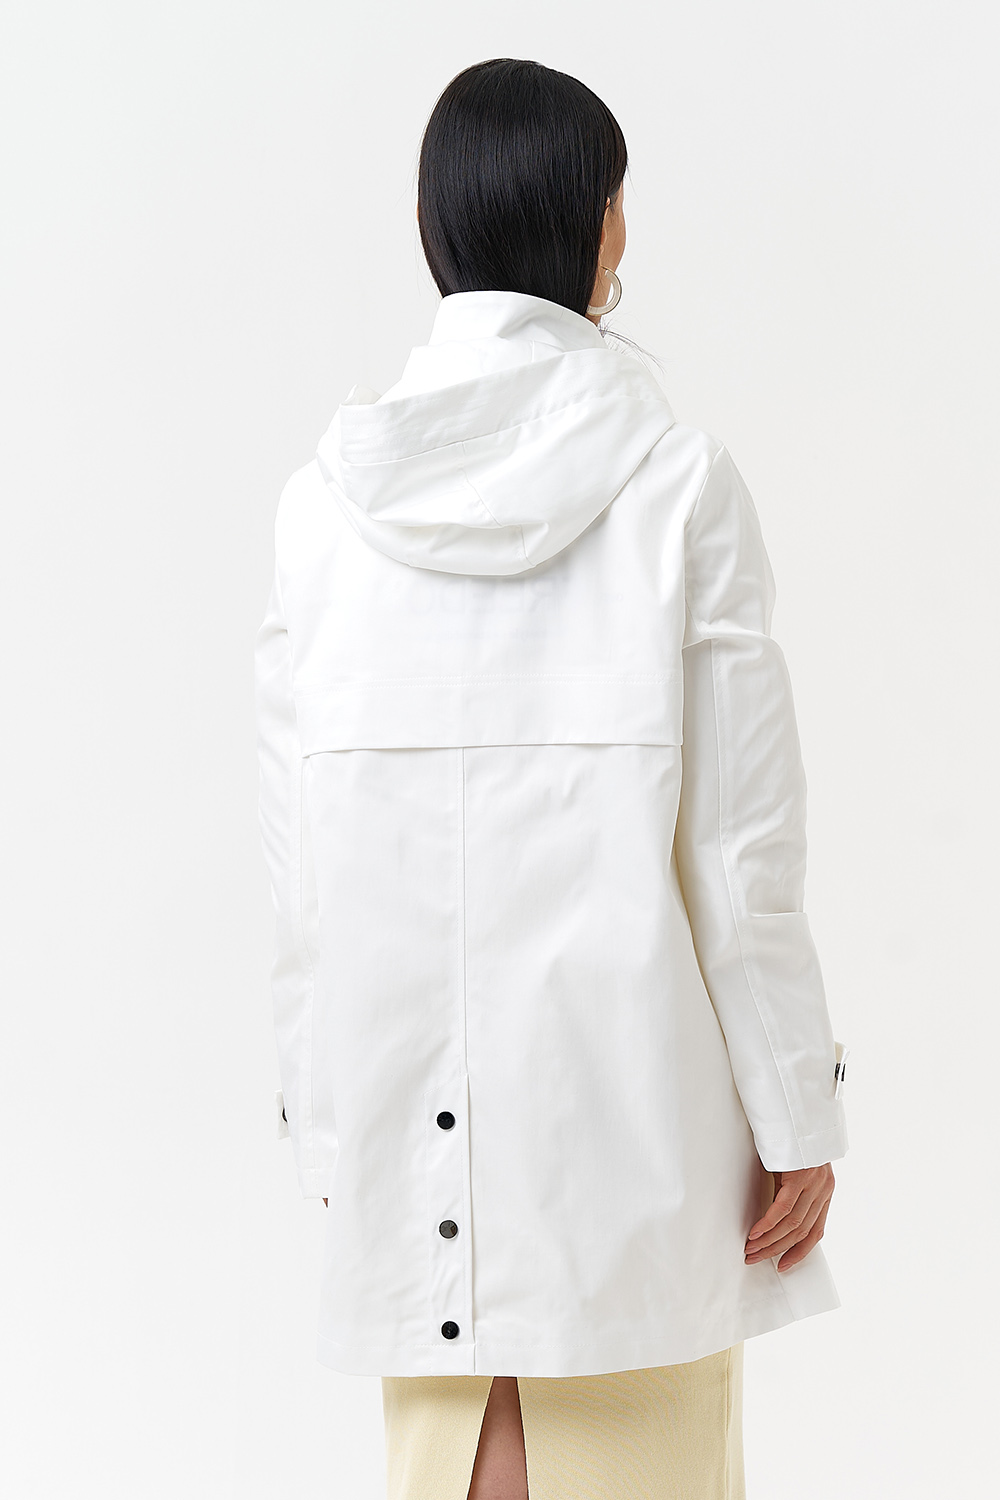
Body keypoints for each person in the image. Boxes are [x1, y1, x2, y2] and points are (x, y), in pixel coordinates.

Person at [255, 56, 848, 1500]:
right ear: (603, 224)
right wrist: (798, 1114)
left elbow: (304, 872)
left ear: (430, 223)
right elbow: (740, 860)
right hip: (635, 1134)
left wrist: (328, 1129)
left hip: (408, 1144)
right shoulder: (681, 487)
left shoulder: (321, 513)